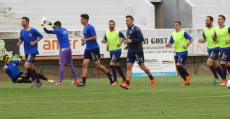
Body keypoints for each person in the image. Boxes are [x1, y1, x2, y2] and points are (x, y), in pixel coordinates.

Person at [76, 14, 114, 87]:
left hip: (94, 49)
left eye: (82, 19)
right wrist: (83, 42)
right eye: (81, 19)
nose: (81, 21)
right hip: (87, 49)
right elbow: (87, 38)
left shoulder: (90, 27)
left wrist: (85, 39)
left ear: (86, 20)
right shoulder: (84, 28)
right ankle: (83, 83)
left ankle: (109, 75)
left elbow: (94, 37)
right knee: (84, 64)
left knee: (97, 66)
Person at [120, 15, 155, 89]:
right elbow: (129, 40)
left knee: (142, 67)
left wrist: (132, 41)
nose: (126, 22)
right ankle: (127, 83)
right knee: (129, 67)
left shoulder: (136, 29)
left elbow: (141, 38)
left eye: (128, 20)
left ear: (132, 21)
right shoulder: (128, 30)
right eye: (126, 21)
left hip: (138, 51)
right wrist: (128, 45)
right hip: (130, 51)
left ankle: (151, 77)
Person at [41, 20, 78, 85]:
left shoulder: (58, 30)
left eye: (55, 26)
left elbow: (47, 31)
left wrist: (42, 25)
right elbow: (55, 29)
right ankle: (75, 80)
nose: (54, 27)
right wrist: (50, 24)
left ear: (57, 26)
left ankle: (60, 81)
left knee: (62, 64)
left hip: (63, 49)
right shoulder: (64, 29)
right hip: (69, 48)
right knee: (70, 64)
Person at [17, 17, 43, 88]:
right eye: (21, 21)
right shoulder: (22, 31)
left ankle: (33, 79)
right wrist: (19, 42)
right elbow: (21, 40)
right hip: (26, 51)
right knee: (32, 68)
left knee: (26, 66)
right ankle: (38, 81)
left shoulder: (33, 30)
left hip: (33, 51)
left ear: (27, 22)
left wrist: (34, 42)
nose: (22, 22)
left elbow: (41, 36)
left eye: (23, 21)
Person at [165, 21, 193, 86]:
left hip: (183, 52)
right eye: (174, 25)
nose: (175, 26)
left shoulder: (184, 33)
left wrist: (187, 45)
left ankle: (188, 75)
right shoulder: (173, 34)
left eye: (177, 25)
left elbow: (191, 39)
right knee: (178, 68)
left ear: (180, 26)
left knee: (178, 65)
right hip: (177, 52)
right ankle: (186, 81)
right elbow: (170, 43)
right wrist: (168, 45)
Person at [198, 16, 223, 85]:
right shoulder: (205, 30)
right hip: (210, 49)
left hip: (216, 48)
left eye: (207, 20)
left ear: (211, 21)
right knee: (216, 65)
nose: (206, 22)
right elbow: (205, 39)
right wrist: (201, 41)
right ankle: (224, 79)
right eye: (206, 20)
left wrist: (214, 38)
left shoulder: (216, 29)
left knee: (209, 63)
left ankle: (216, 77)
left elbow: (218, 39)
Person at [101, 20, 126, 86]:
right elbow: (105, 40)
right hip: (111, 51)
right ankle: (124, 79)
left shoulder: (118, 32)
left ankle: (115, 80)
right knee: (117, 65)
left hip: (117, 50)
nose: (111, 25)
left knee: (112, 64)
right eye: (110, 24)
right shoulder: (106, 32)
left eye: (112, 24)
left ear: (114, 25)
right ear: (108, 25)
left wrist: (120, 42)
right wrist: (103, 41)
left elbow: (124, 38)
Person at [213, 15, 230, 86]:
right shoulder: (216, 29)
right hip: (221, 49)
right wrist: (213, 38)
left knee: (222, 63)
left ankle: (224, 80)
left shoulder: (227, 28)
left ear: (223, 21)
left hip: (228, 48)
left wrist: (229, 40)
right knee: (228, 64)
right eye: (218, 19)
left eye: (220, 19)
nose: (218, 20)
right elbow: (215, 41)